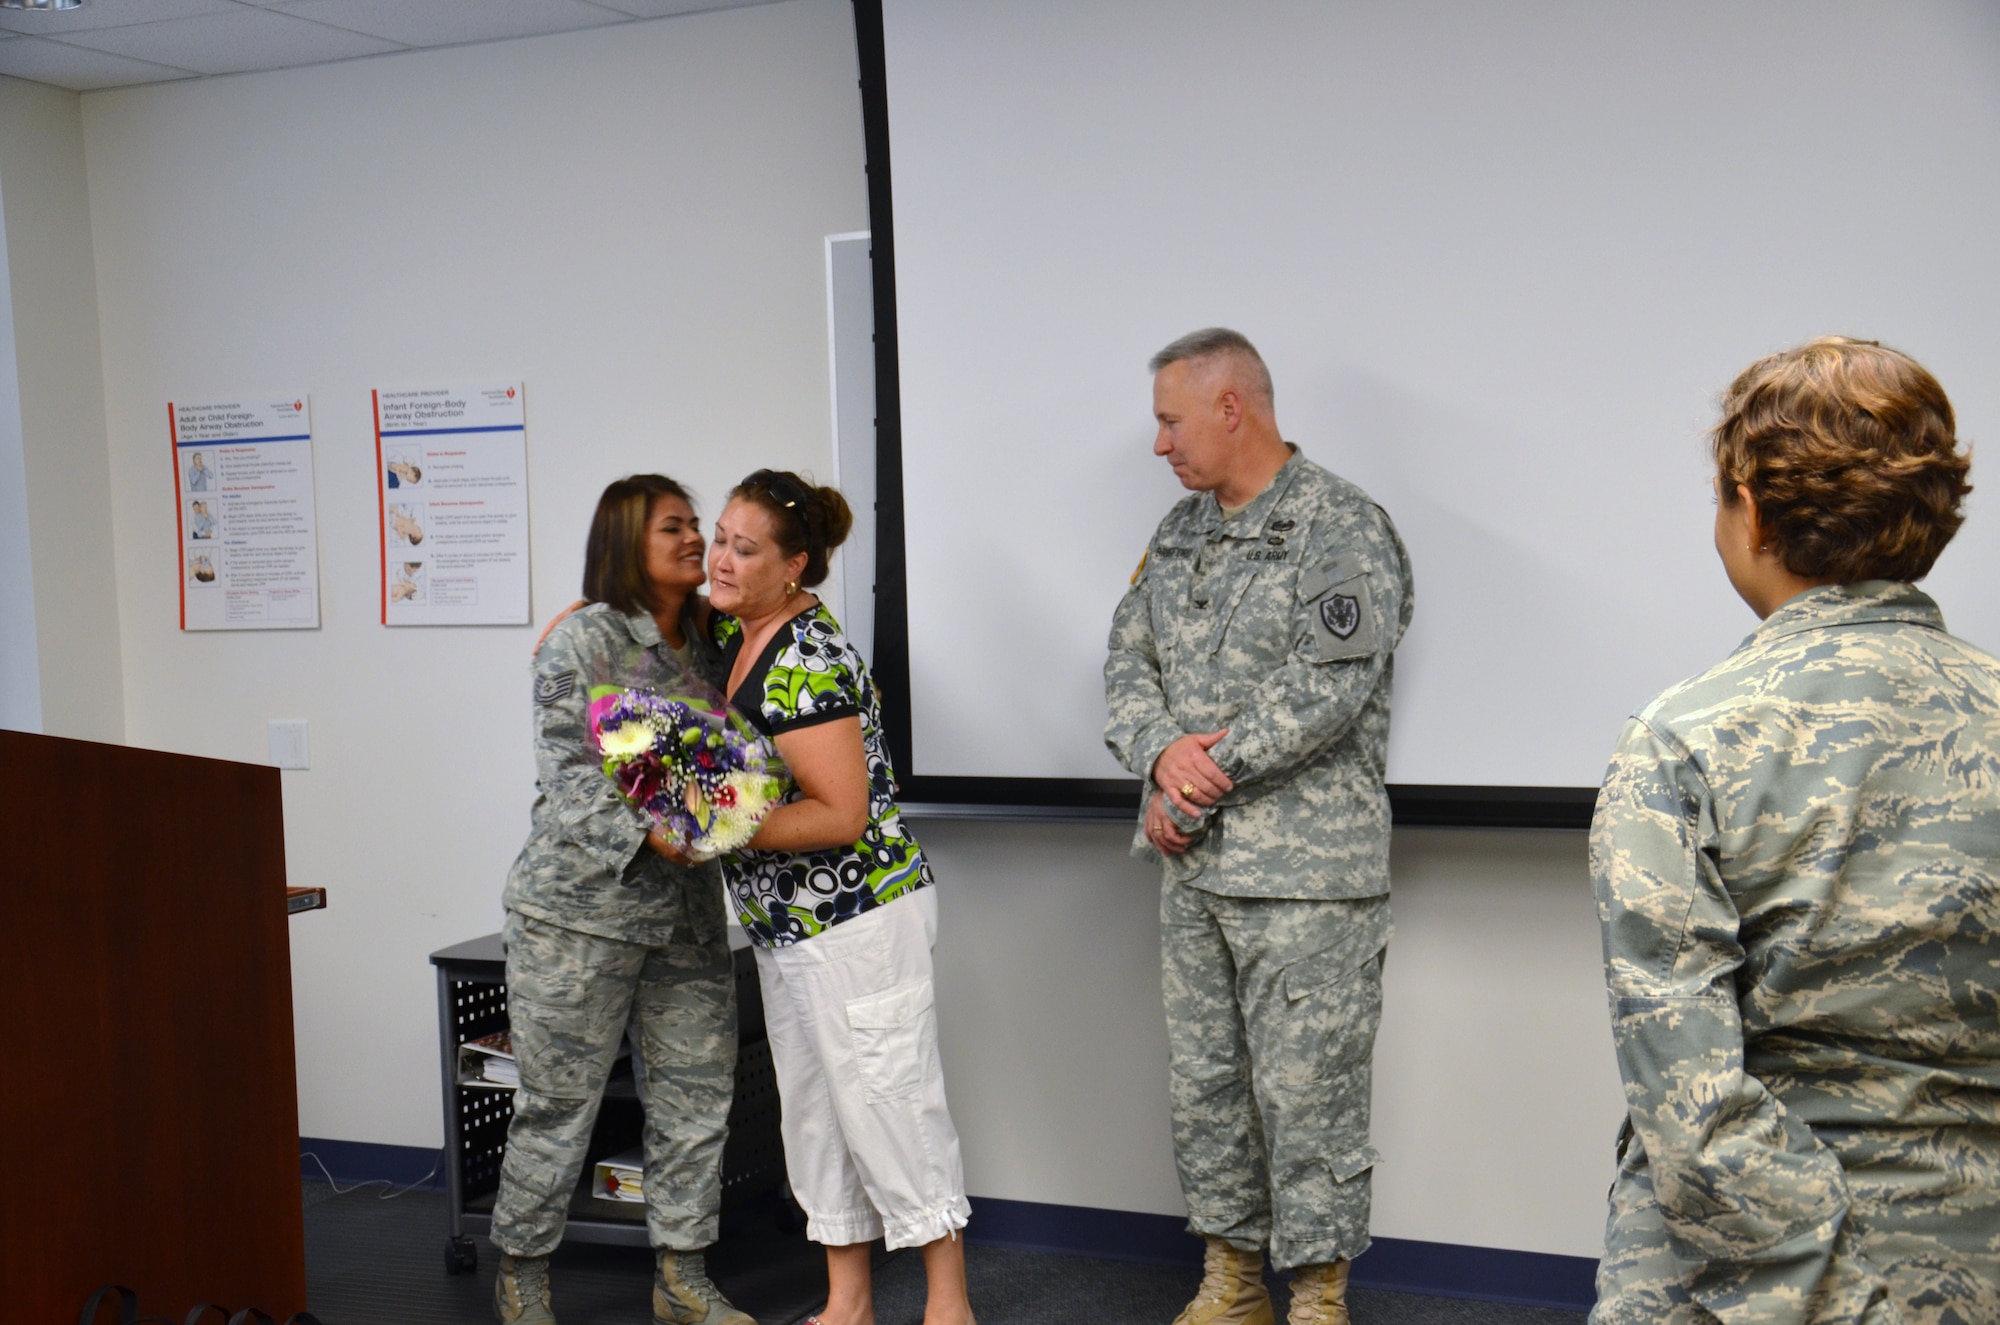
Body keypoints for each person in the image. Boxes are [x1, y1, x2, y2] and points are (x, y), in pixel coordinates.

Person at [1590, 337, 1999, 1325]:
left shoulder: (1679, 741)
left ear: (1752, 507)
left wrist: (1838, 1302)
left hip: (1730, 1280)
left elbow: (1690, 1104)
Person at [1104, 329, 1414, 1325]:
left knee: (1307, 1093)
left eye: (1168, 419)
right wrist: (1159, 750)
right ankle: (1231, 1280)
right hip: (1193, 871)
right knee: (1204, 1085)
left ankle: (1317, 1297)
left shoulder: (1341, 526)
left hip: (1305, 878)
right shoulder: (1178, 533)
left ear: (1230, 406)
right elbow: (1124, 664)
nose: (1158, 444)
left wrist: (1199, 773)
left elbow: (1323, 691)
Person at [704, 469, 975, 1325]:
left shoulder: (807, 655)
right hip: (790, 929)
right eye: (718, 536)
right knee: (818, 1118)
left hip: (855, 922)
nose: (719, 558)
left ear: (796, 567)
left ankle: (948, 1307)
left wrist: (723, 826)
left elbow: (841, 812)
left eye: (744, 549)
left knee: (892, 1108)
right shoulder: (734, 633)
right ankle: (847, 1304)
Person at [491, 474, 758, 1325]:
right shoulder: (583, 640)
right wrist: (650, 835)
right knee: (557, 1104)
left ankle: (682, 1277)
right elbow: (569, 775)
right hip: (581, 914)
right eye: (674, 528)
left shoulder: (720, 641)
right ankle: (523, 1275)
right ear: (624, 542)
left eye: (698, 527)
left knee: (695, 1099)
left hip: (684, 914)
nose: (696, 542)